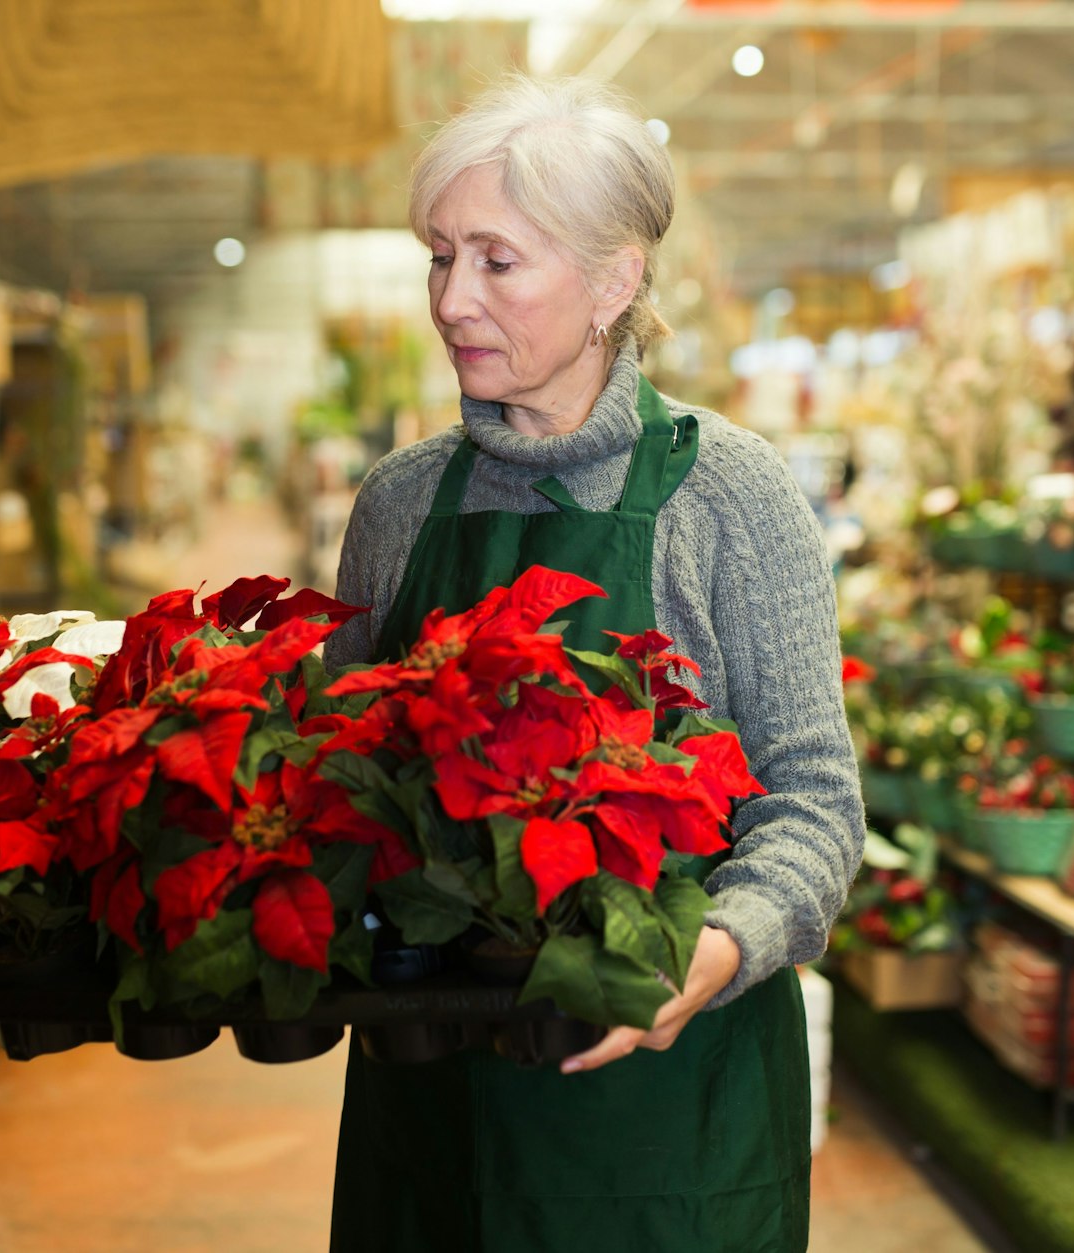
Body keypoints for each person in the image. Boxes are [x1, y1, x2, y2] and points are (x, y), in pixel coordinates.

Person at [323, 74, 865, 1253]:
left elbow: (814, 802)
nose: (451, 299)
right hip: (434, 1105)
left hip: (673, 1119)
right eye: (438, 257)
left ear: (614, 282)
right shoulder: (399, 504)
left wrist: (709, 951)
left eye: (496, 261)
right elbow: (338, 779)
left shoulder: (729, 496)